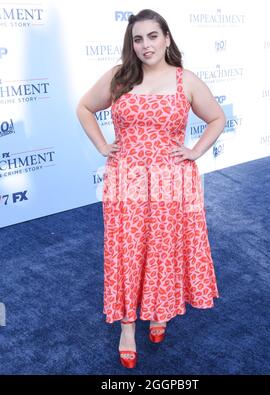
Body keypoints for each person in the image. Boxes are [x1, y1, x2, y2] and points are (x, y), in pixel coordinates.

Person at [76, 9, 226, 369]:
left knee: (163, 248)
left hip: (171, 181)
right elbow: (84, 107)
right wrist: (102, 146)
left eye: (153, 36)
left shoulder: (184, 80)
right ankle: (128, 327)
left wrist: (194, 152)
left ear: (167, 38)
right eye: (138, 39)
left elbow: (216, 118)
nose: (146, 45)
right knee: (127, 250)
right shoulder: (120, 77)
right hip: (126, 179)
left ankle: (158, 309)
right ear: (132, 44)